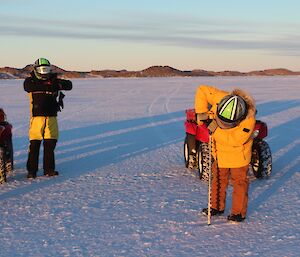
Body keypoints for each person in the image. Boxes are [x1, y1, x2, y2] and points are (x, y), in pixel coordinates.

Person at [195, 85, 256, 222]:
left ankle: (238, 213)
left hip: (238, 157)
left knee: (239, 183)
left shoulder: (248, 121)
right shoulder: (221, 97)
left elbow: (233, 140)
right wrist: (202, 113)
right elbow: (202, 90)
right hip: (220, 154)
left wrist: (214, 128)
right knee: (218, 179)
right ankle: (216, 206)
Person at [24, 58, 72, 179]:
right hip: (37, 118)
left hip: (51, 117)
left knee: (50, 144)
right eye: (42, 69)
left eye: (47, 70)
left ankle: (49, 169)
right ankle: (32, 171)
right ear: (36, 70)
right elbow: (28, 87)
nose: (44, 72)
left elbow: (69, 85)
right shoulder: (30, 81)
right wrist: (51, 85)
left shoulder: (53, 80)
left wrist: (53, 84)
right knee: (34, 145)